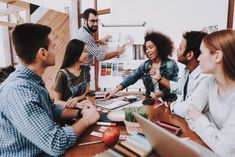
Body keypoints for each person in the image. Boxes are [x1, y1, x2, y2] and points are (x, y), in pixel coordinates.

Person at [0, 23, 100, 156]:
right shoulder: (18, 90)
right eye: (53, 47)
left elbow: (49, 108)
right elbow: (56, 143)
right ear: (42, 53)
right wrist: (86, 120)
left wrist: (79, 113)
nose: (56, 51)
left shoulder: (32, 81)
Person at [184, 30, 235, 157]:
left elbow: (226, 150)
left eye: (201, 53)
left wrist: (200, 118)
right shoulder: (210, 82)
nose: (198, 57)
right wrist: (216, 136)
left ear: (217, 56)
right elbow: (190, 115)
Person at [105, 31, 179, 101]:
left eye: (151, 47)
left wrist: (160, 94)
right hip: (151, 101)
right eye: (146, 48)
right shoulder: (145, 65)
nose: (148, 51)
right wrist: (114, 90)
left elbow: (174, 86)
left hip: (169, 102)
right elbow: (132, 77)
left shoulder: (171, 64)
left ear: (159, 47)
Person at [151, 31, 208, 117]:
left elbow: (188, 110)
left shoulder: (205, 78)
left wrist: (171, 105)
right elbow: (181, 87)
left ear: (189, 55)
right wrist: (159, 78)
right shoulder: (188, 70)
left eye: (180, 48)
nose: (177, 50)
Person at [54, 39, 90, 108]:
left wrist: (77, 99)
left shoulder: (86, 69)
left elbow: (86, 92)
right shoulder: (62, 74)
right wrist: (76, 104)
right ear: (76, 52)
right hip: (68, 113)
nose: (88, 54)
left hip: (84, 108)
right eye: (85, 51)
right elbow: (57, 101)